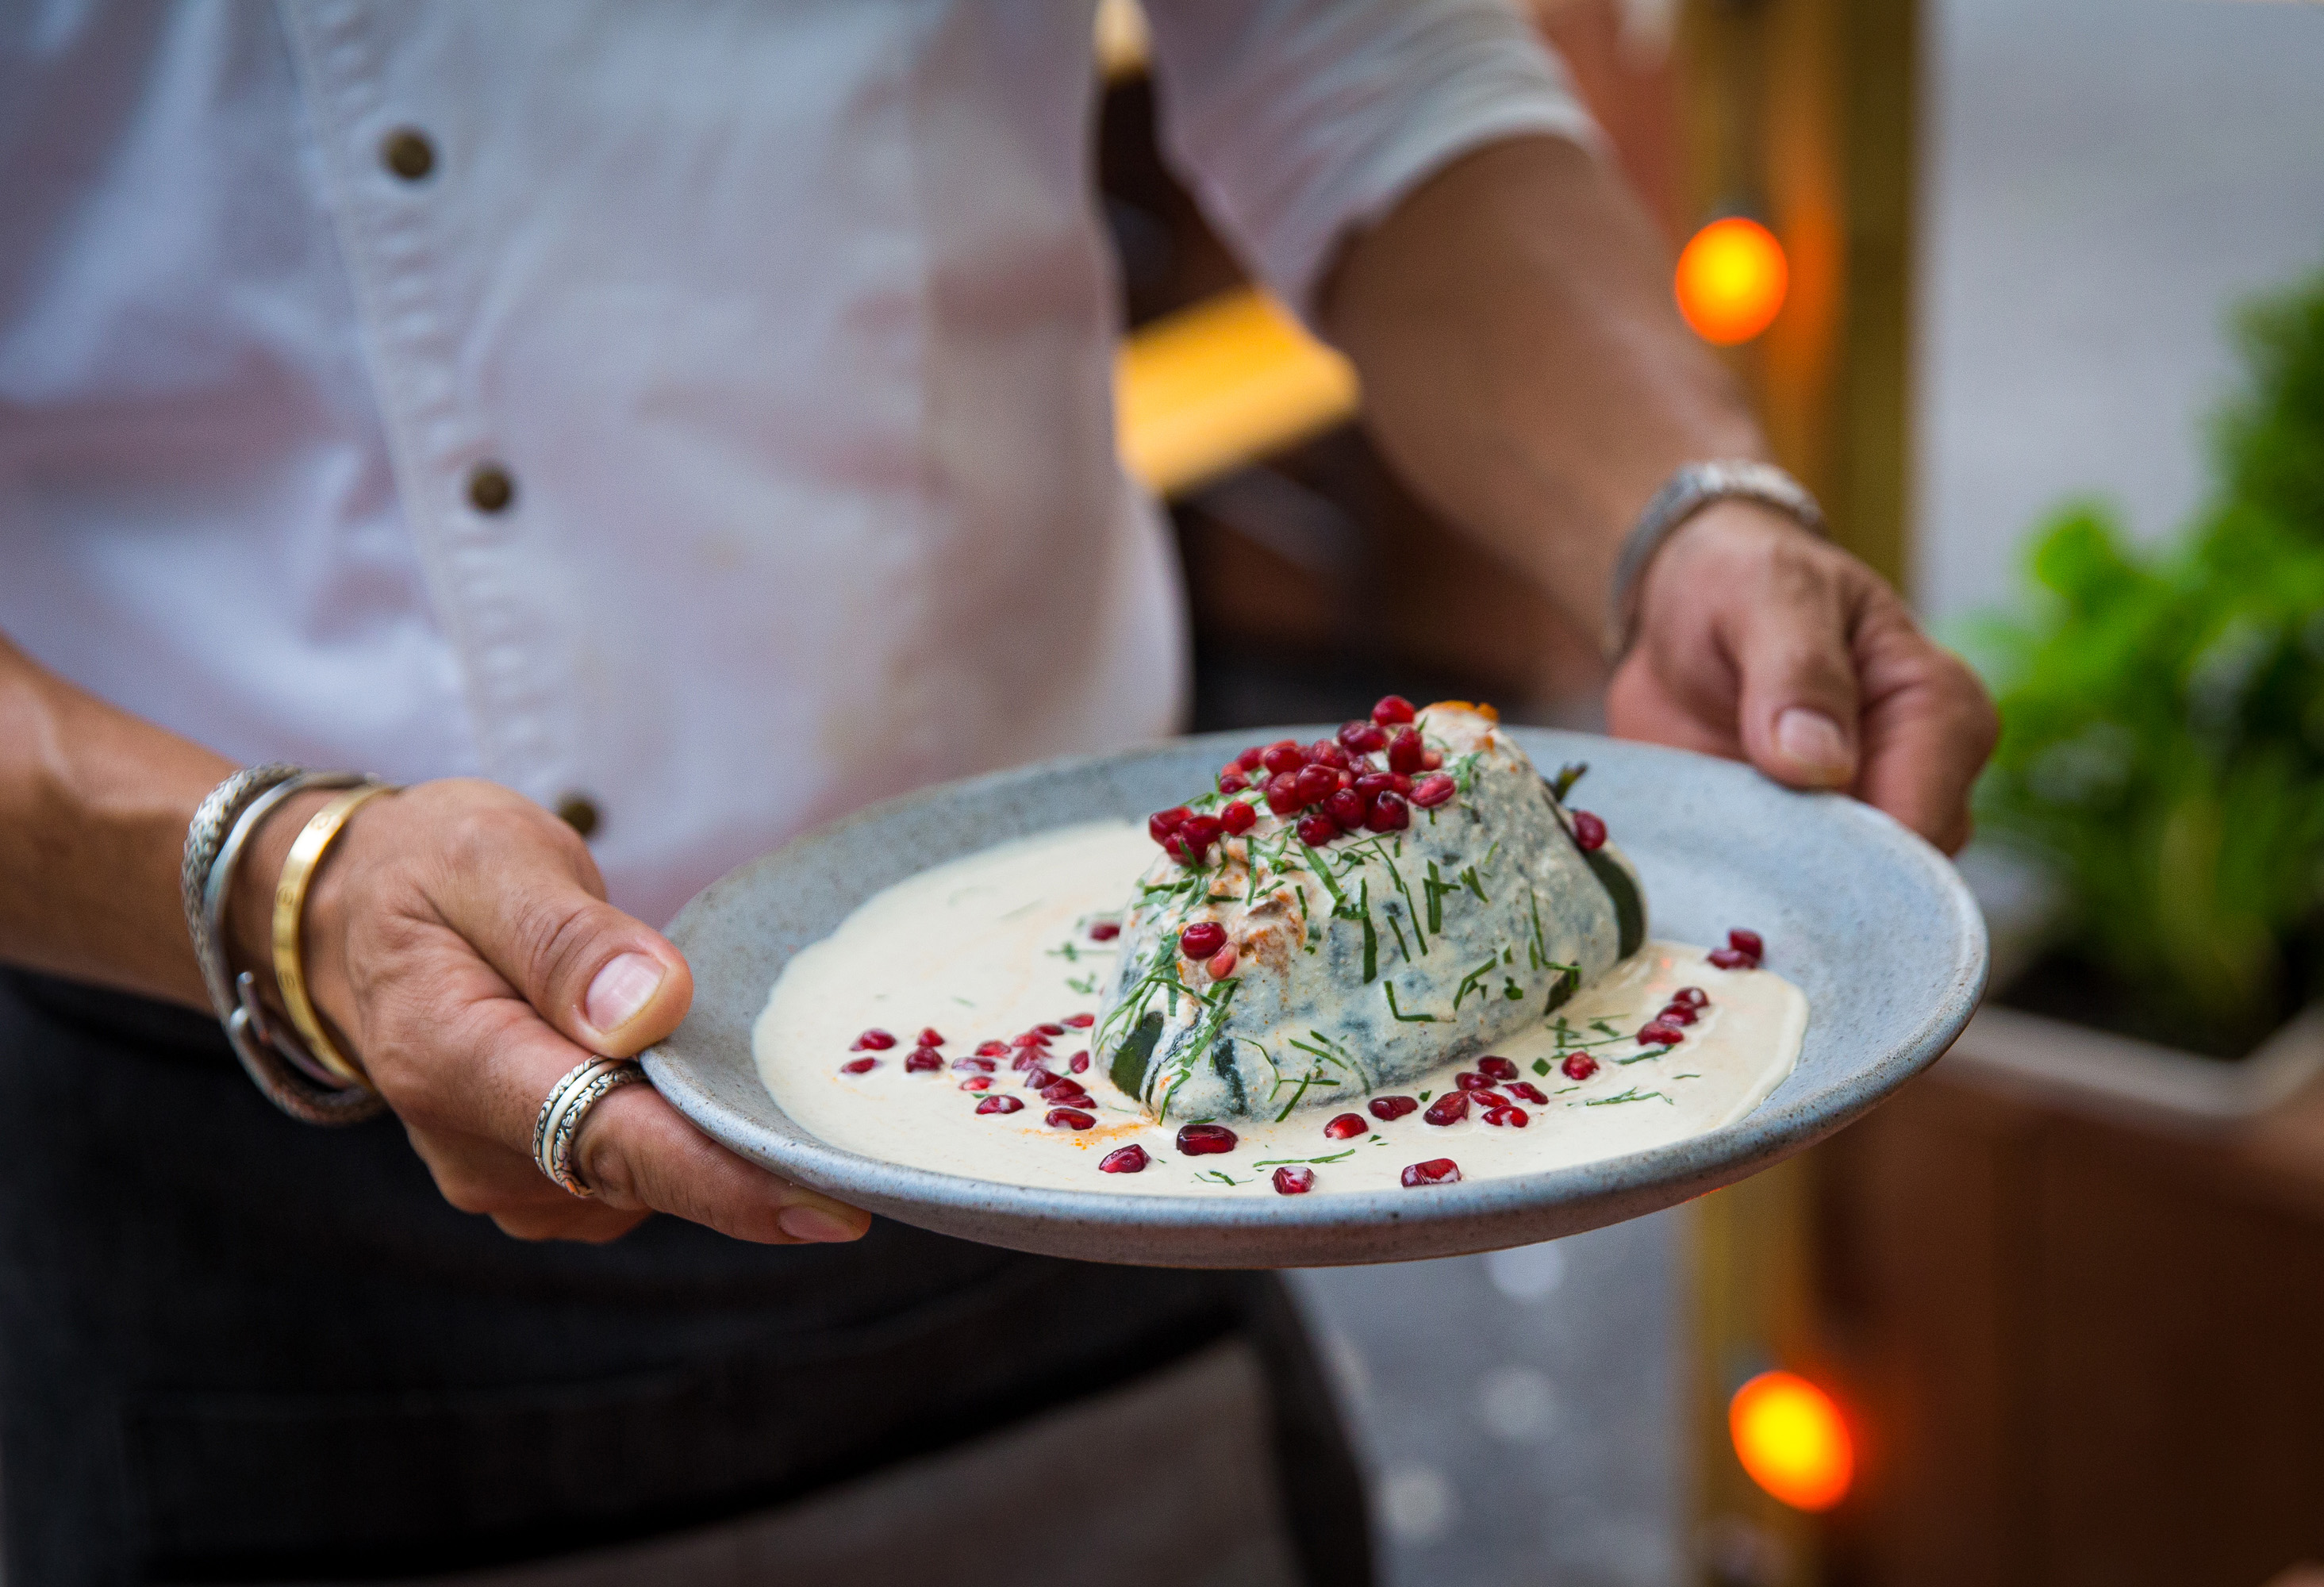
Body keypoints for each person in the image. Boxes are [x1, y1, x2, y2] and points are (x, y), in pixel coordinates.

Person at [0, 2, 1997, 1582]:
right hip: (237, 1150)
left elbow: (1364, 64)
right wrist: (285, 883)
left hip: (1094, 1135)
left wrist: (1682, 507)